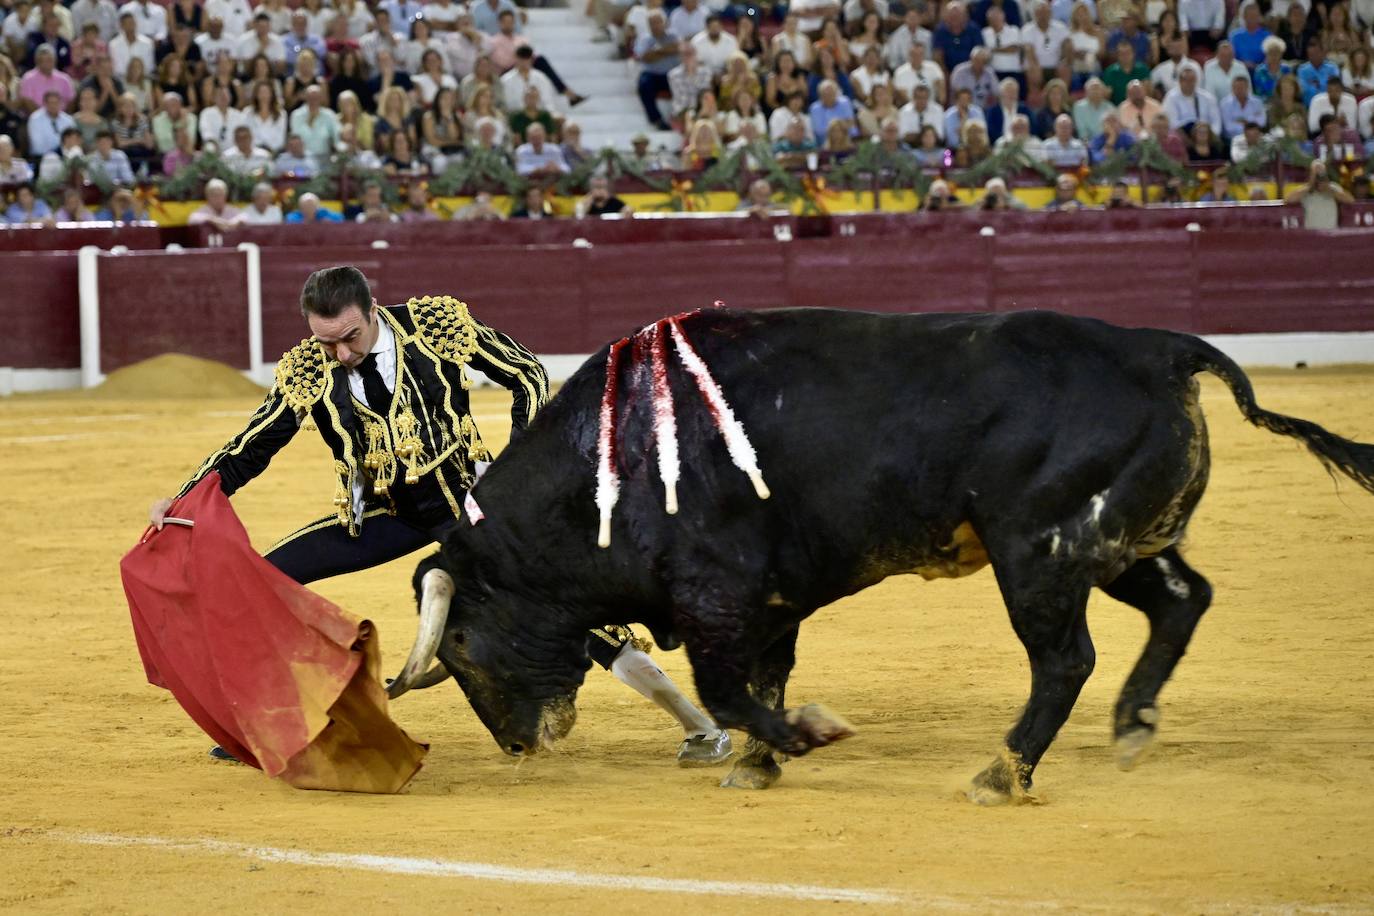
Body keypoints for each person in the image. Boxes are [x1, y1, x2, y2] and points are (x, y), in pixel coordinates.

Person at [147, 267, 731, 765]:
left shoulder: (433, 328)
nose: (340, 354)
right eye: (327, 343)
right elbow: (252, 445)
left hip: (466, 508)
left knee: (567, 607)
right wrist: (183, 502)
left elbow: (524, 372)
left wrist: (516, 479)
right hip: (380, 512)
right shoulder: (307, 369)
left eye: (349, 338)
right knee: (264, 577)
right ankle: (268, 723)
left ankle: (698, 725)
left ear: (371, 311)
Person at [1283, 159, 1352, 228]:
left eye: (1321, 174)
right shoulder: (1305, 190)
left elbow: (1350, 200)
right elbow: (1288, 200)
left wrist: (1329, 189)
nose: (1319, 178)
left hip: (1330, 233)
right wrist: (1310, 186)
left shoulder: (1333, 188)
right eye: (1316, 175)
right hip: (1312, 235)